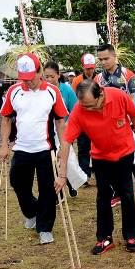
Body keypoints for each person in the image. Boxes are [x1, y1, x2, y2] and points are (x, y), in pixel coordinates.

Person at [56, 80, 135, 254]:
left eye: (91, 105)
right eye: (84, 105)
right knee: (103, 195)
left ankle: (130, 235)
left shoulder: (118, 96)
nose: (87, 109)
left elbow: (134, 113)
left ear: (101, 95)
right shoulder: (80, 109)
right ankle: (104, 238)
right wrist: (62, 174)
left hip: (124, 153)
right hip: (100, 156)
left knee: (126, 193)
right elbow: (67, 140)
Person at [0, 53, 68, 244]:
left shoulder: (52, 91)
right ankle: (31, 211)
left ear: (39, 72)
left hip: (46, 148)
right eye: (24, 79)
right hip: (21, 148)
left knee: (47, 189)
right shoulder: (14, 91)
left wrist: (63, 147)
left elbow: (61, 121)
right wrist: (4, 144)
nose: (27, 83)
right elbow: (5, 118)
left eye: (31, 78)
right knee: (17, 182)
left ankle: (45, 227)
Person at [95, 44, 135, 199]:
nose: (103, 62)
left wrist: (126, 121)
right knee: (110, 160)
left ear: (114, 56)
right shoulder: (98, 79)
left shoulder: (129, 76)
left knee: (125, 157)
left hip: (126, 124)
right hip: (106, 127)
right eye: (101, 59)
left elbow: (133, 102)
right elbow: (96, 101)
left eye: (106, 58)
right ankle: (117, 191)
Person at [43, 61, 78, 197]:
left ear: (58, 75)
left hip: (64, 129)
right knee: (51, 160)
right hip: (47, 131)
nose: (49, 79)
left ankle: (70, 183)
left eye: (52, 76)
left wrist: (67, 127)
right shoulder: (43, 90)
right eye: (46, 77)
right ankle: (58, 193)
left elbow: (75, 111)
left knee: (65, 158)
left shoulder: (67, 90)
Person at [71, 53, 96, 179]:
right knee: (83, 146)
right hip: (83, 118)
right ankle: (84, 174)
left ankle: (98, 171)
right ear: (82, 67)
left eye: (92, 68)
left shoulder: (100, 78)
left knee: (99, 145)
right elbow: (75, 101)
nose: (90, 70)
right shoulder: (76, 81)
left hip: (98, 118)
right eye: (87, 68)